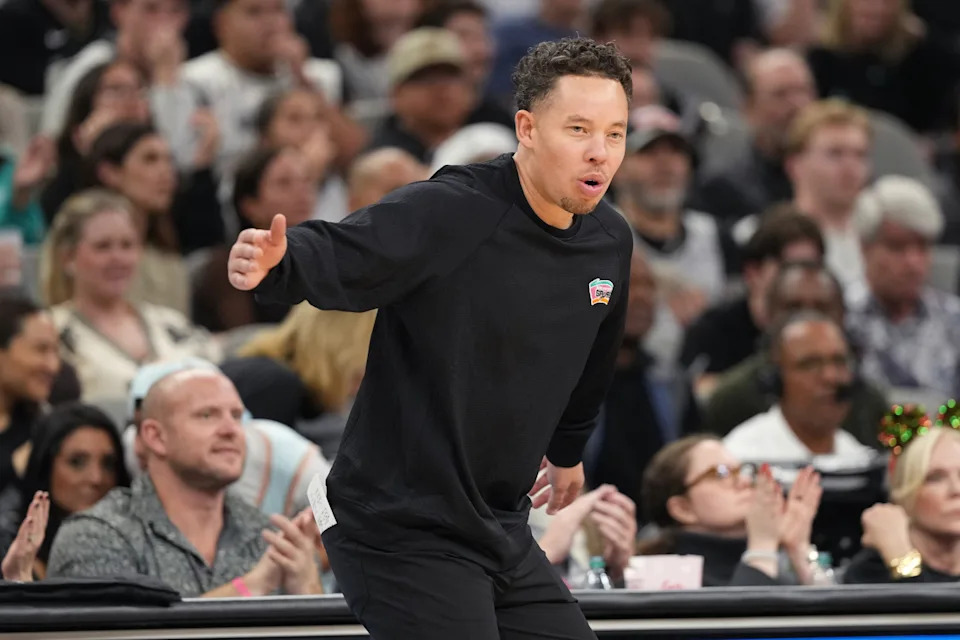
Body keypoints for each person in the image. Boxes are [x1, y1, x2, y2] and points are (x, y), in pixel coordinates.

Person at [228, 37, 633, 639]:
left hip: (499, 526)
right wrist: (283, 263)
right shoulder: (457, 209)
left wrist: (569, 450)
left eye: (616, 134)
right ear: (526, 128)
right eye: (578, 130)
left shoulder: (609, 239)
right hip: (396, 524)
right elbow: (358, 247)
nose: (599, 154)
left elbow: (595, 353)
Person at [47, 367, 323, 597]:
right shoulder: (96, 535)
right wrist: (249, 587)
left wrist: (308, 590)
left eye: (236, 416)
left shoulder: (268, 538)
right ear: (155, 437)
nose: (231, 430)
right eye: (207, 415)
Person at [40, 189, 221, 404]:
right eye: (102, 247)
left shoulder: (170, 323)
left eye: (127, 245)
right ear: (68, 258)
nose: (118, 258)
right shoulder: (50, 331)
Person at [703, 261, 888, 444]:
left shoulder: (868, 402)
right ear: (768, 314)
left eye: (821, 308)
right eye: (793, 307)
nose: (808, 317)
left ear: (842, 315)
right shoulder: (730, 400)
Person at [639, 434, 823, 586]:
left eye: (741, 470)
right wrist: (762, 547)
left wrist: (799, 550)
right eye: (721, 473)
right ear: (683, 509)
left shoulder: (776, 563)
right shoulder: (666, 580)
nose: (744, 481)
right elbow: (743, 626)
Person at [680, 208, 825, 399]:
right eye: (788, 268)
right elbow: (694, 393)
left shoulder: (826, 329)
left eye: (811, 268)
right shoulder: (712, 332)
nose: (800, 279)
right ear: (753, 273)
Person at [846, 175, 960, 398]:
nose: (913, 262)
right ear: (864, 247)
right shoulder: (841, 317)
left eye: (923, 247)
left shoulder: (954, 320)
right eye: (897, 247)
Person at [724, 311, 876, 471]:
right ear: (775, 380)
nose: (830, 377)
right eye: (810, 364)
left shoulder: (861, 460)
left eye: (839, 362)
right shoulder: (741, 459)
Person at [0, 403, 130, 581]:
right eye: (77, 462)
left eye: (108, 464)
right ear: (45, 467)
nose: (96, 478)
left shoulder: (135, 547)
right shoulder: (6, 545)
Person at [844, 425, 960, 583]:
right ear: (904, 495)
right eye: (935, 478)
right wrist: (901, 558)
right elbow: (925, 607)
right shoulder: (872, 569)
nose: (956, 490)